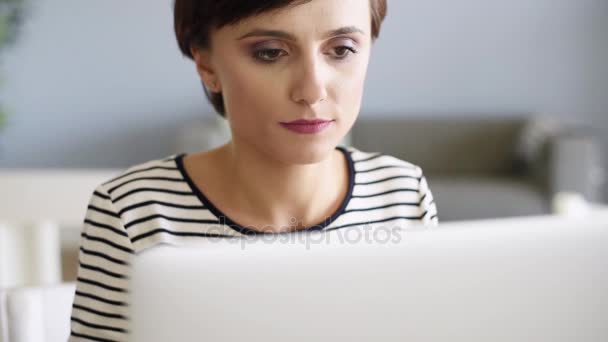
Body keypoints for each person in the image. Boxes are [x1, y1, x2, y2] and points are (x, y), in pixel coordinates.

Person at [68, 0, 438, 340]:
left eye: (341, 50)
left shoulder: (403, 192)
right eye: (270, 53)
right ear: (206, 65)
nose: (312, 90)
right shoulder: (134, 211)